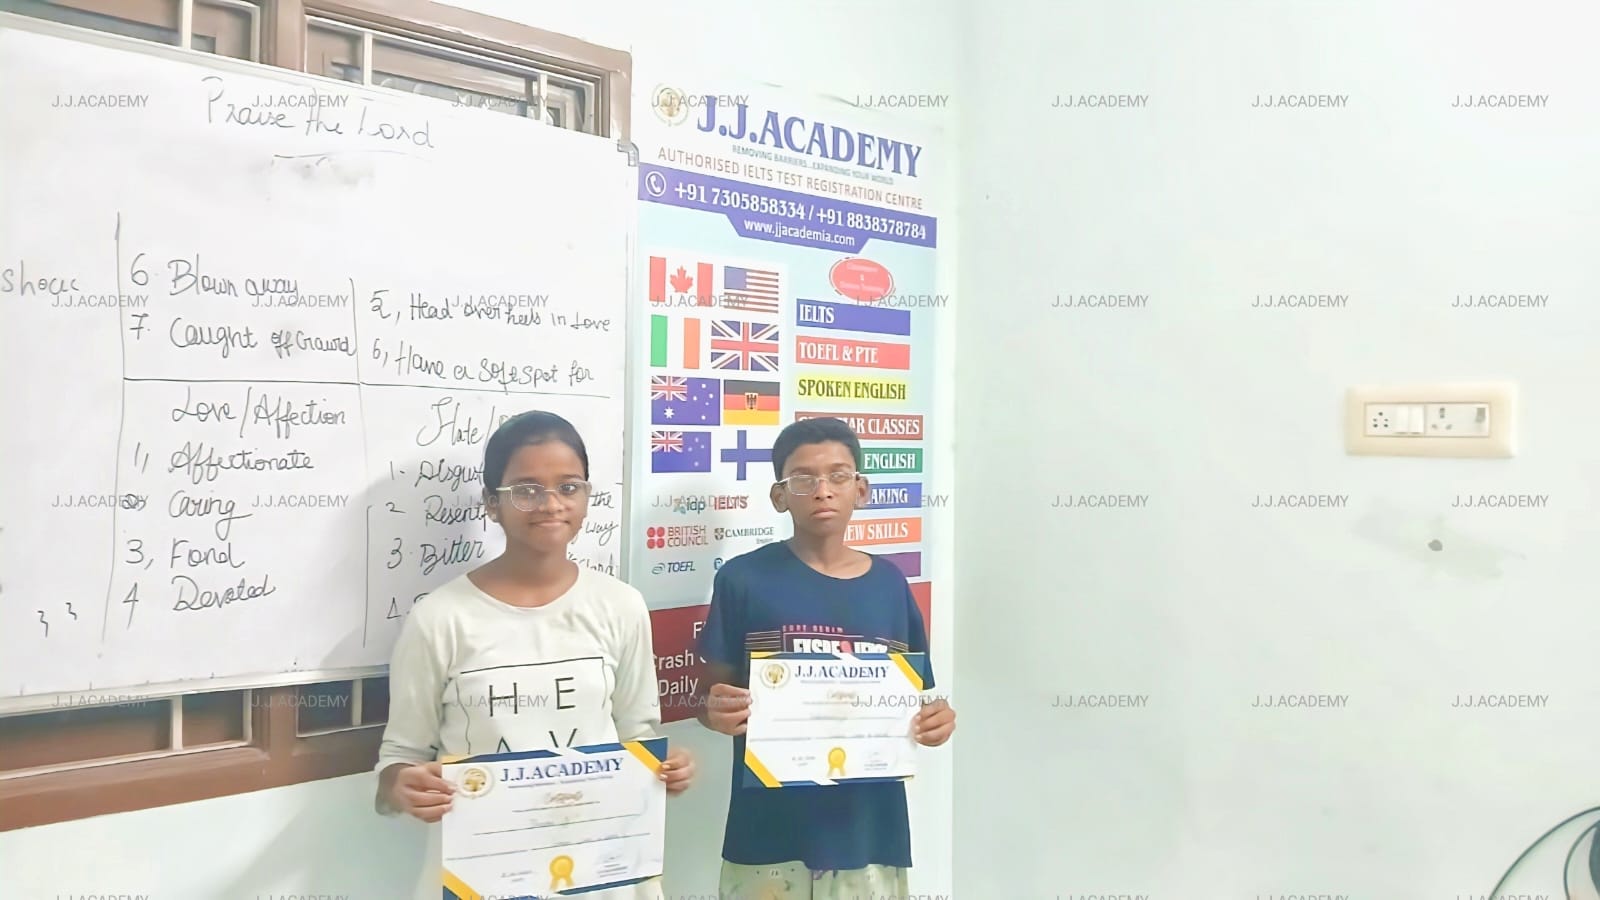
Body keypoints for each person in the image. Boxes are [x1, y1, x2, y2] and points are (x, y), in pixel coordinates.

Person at [375, 410, 694, 900]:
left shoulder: (621, 606)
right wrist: (402, 786)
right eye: (526, 489)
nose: (550, 504)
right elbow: (399, 761)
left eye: (568, 487)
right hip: (483, 875)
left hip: (601, 874)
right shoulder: (440, 618)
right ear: (492, 503)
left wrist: (665, 769)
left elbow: (639, 736)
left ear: (586, 496)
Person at [695, 416, 955, 899]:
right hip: (768, 833)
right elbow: (707, 697)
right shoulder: (742, 579)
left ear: (861, 489)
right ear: (779, 496)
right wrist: (715, 711)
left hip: (869, 833)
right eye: (803, 479)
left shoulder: (890, 585)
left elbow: (919, 700)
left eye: (838, 476)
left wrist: (936, 721)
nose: (822, 491)